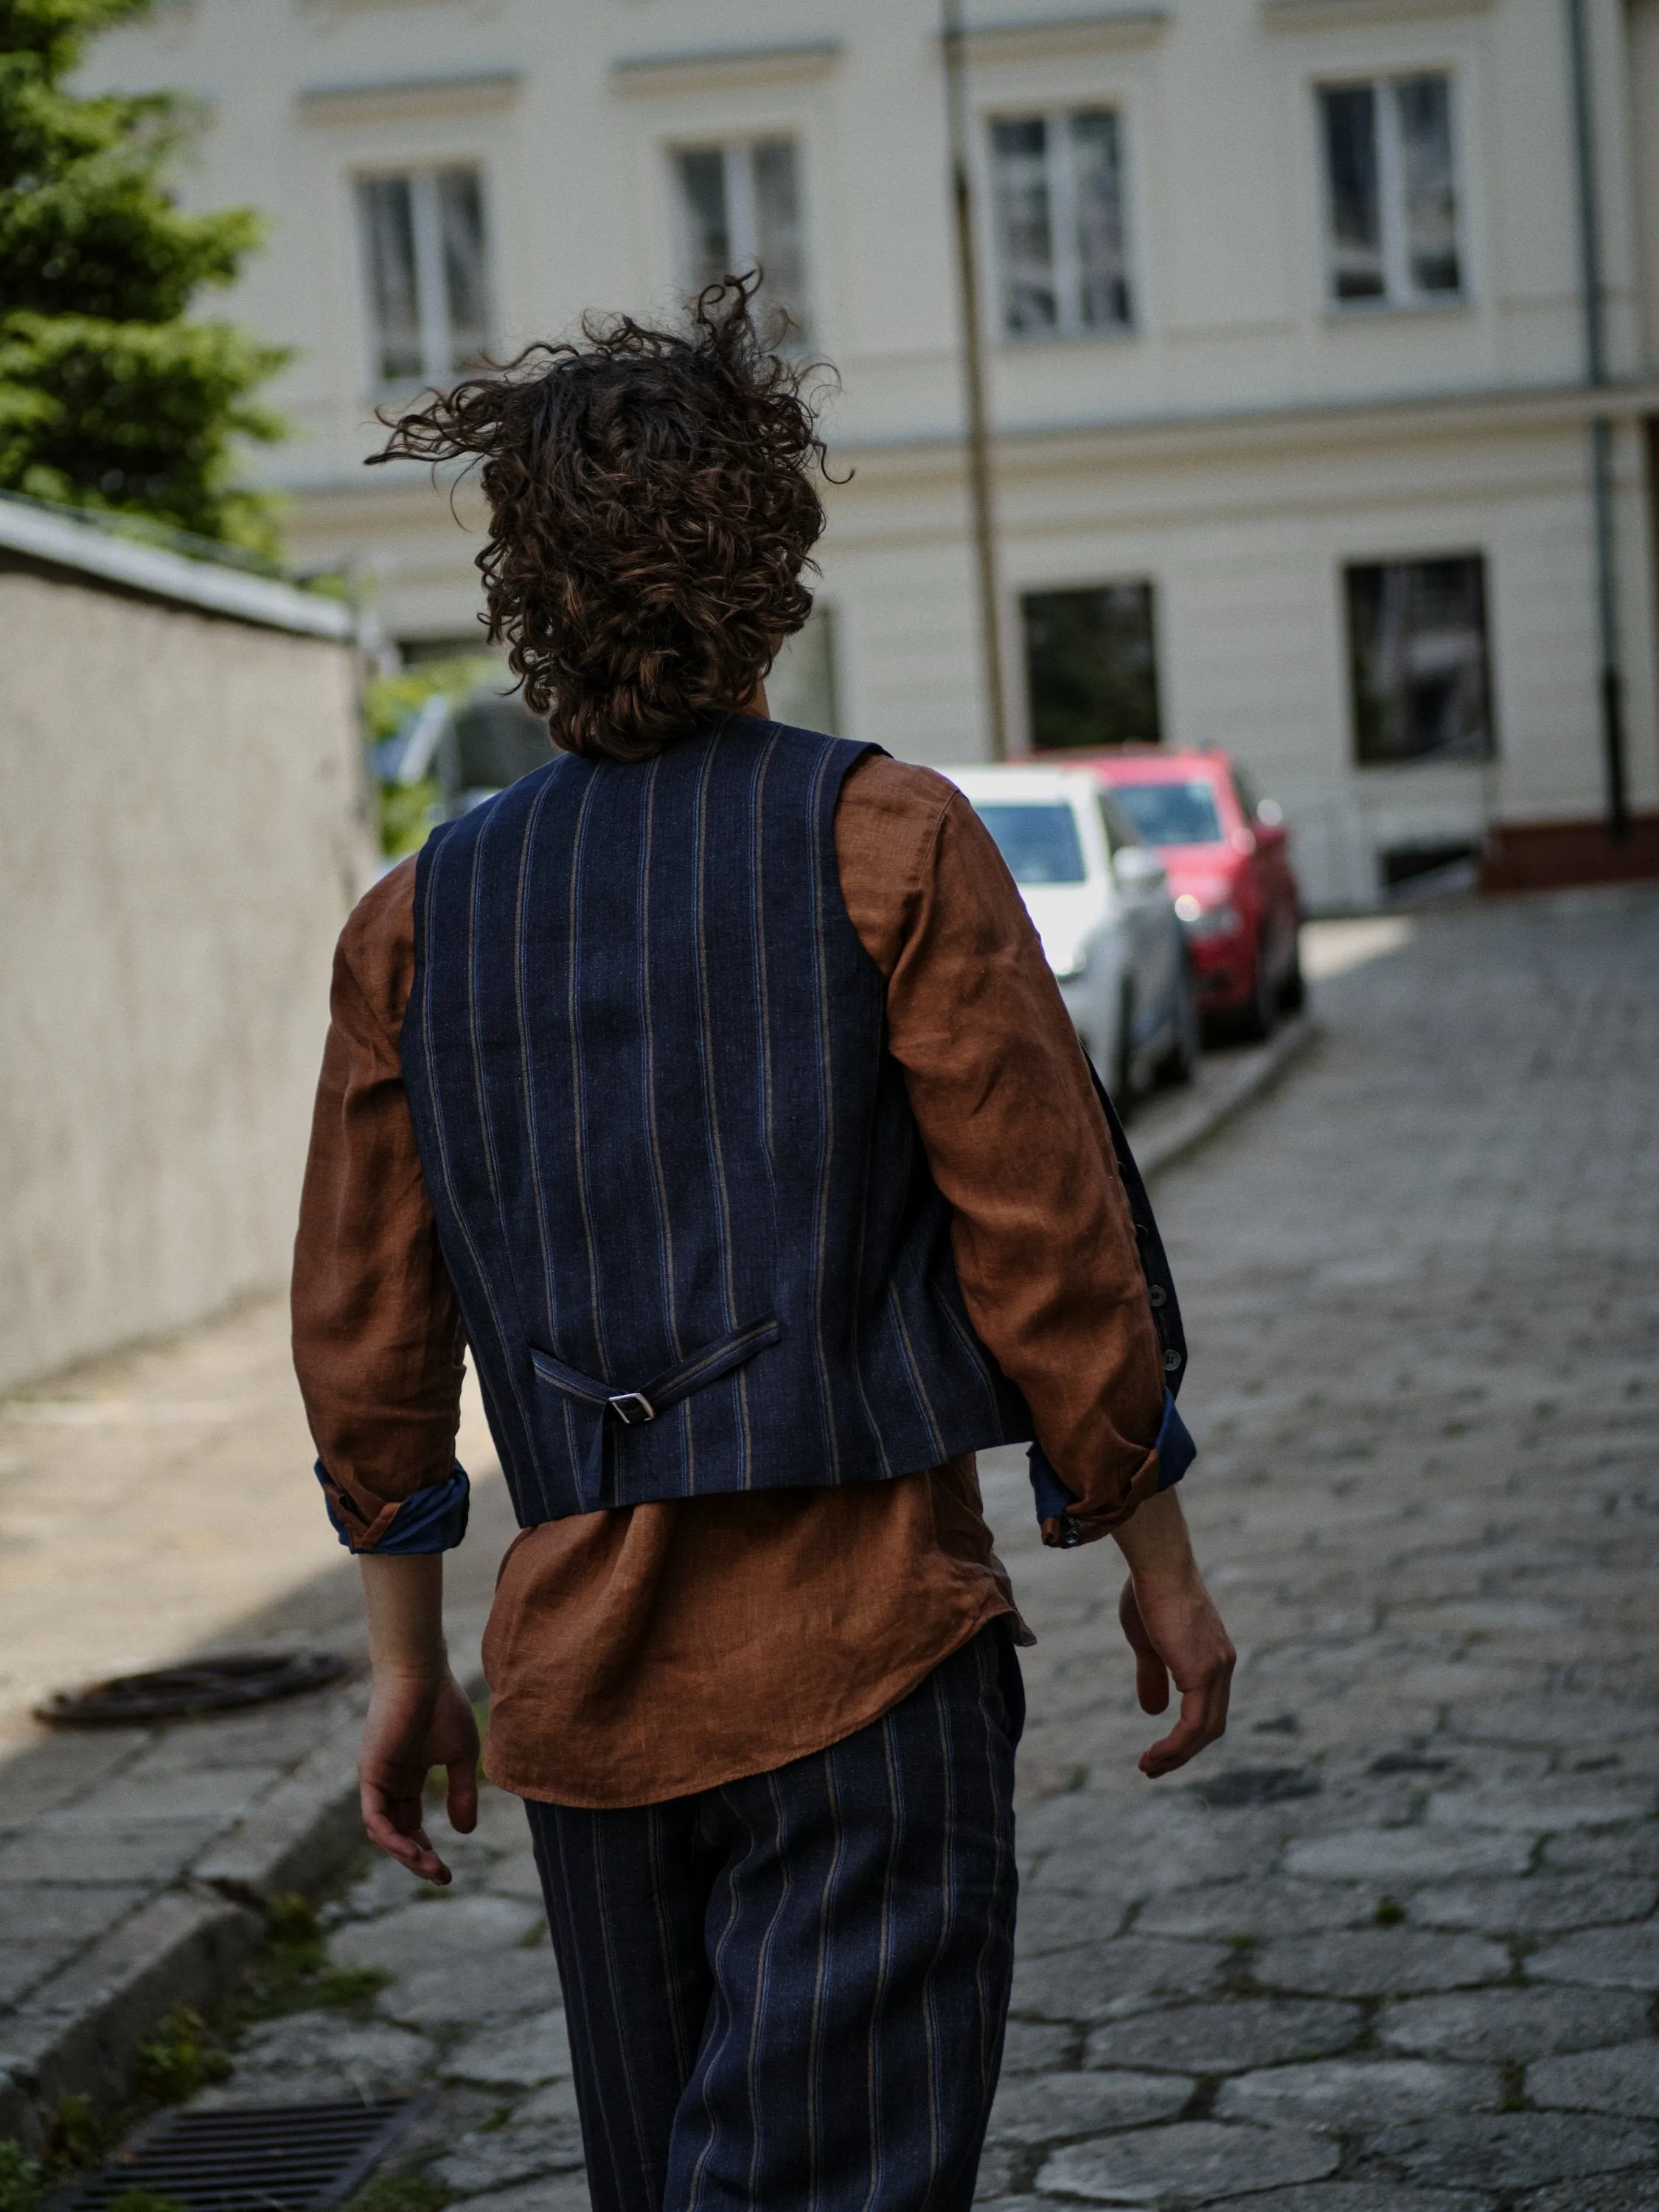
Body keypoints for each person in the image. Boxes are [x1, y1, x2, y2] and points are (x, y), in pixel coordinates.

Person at [292, 276, 1235, 2212]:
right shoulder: (884, 839)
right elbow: (1055, 1253)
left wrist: (409, 1661)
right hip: (871, 1654)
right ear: (771, 558)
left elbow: (367, 1343)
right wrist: (1154, 1554)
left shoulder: (415, 921)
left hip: (580, 1699)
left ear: (523, 586)